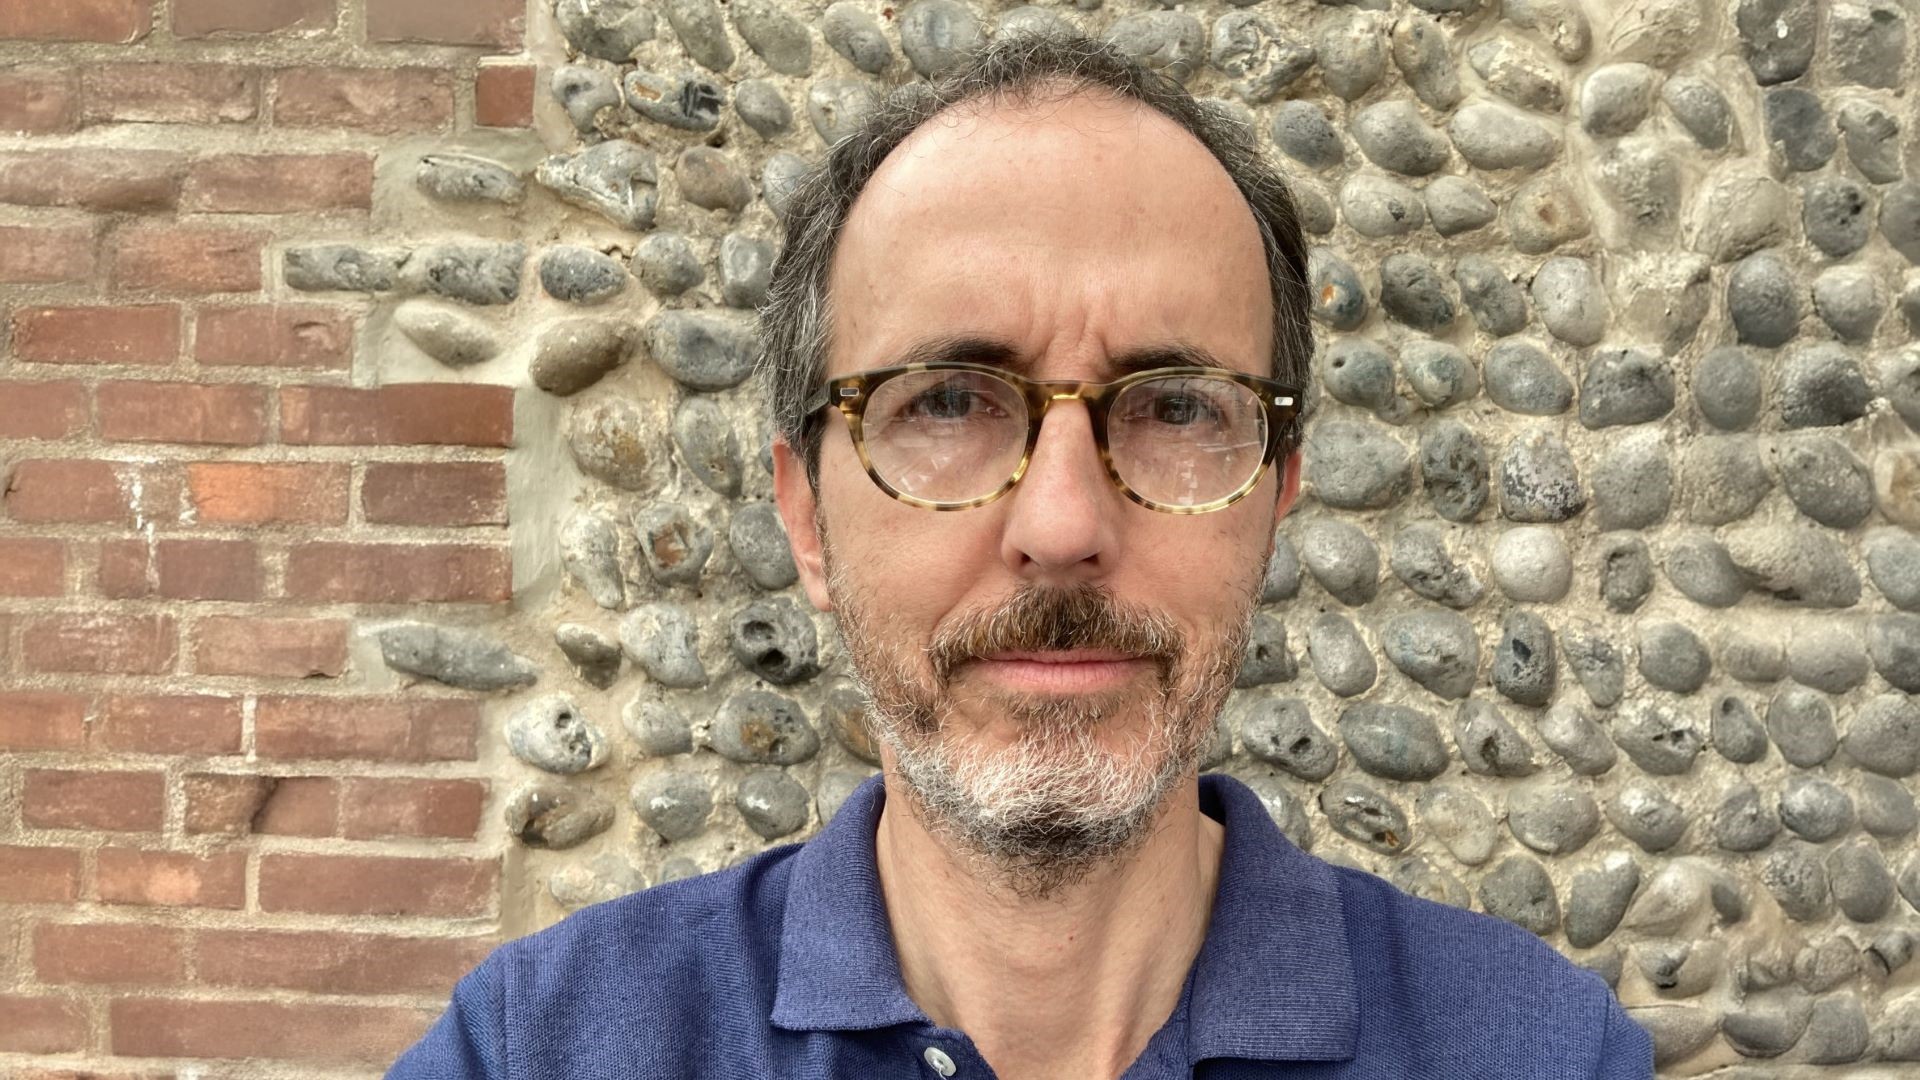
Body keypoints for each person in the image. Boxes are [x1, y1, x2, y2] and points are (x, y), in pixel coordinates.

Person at [388, 33, 1653, 1080]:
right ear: (807, 517)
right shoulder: (539, 1048)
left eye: (1172, 407)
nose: (1060, 528)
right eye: (945, 402)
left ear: (1276, 502)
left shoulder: (1542, 1052)